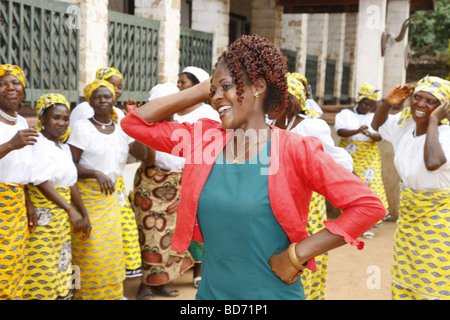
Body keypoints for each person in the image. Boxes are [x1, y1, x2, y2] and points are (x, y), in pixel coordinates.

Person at [121, 34, 386, 300]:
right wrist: (206, 87)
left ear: (258, 87)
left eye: (227, 87)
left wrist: (297, 255)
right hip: (210, 295)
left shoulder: (295, 149)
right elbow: (135, 124)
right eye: (213, 91)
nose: (216, 98)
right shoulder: (202, 140)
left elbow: (368, 206)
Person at [267, 72, 353, 300]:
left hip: (306, 204)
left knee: (303, 255)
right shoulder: (267, 125)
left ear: (290, 102)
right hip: (272, 203)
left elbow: (337, 161)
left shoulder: (311, 128)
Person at [67, 79, 151, 300]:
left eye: (107, 96)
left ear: (115, 99)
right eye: (97, 97)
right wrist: (95, 173)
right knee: (87, 252)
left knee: (111, 253)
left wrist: (140, 125)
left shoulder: (122, 127)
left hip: (111, 200)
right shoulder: (82, 127)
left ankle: (113, 295)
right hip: (87, 197)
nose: (103, 100)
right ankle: (81, 294)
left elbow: (144, 155)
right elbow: (68, 166)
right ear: (90, 101)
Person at [371, 76, 450, 300]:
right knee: (409, 273)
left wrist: (434, 121)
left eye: (431, 101)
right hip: (409, 216)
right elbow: (376, 125)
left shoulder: (446, 135)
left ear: (443, 108)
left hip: (439, 218)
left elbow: (433, 163)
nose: (421, 105)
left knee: (435, 278)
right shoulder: (405, 126)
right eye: (417, 98)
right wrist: (388, 103)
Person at [22, 93, 91, 300]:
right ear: (42, 118)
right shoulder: (37, 142)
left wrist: (84, 214)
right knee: (42, 266)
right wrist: (70, 210)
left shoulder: (63, 147)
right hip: (44, 217)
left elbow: (71, 184)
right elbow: (41, 181)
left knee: (62, 264)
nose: (61, 123)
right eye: (56, 118)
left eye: (65, 119)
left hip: (61, 220)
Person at [131, 83, 195, 300]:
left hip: (176, 189)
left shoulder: (182, 128)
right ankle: (144, 286)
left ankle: (160, 282)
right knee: (149, 237)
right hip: (151, 189)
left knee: (170, 237)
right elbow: (147, 158)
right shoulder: (148, 127)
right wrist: (142, 128)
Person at [177, 66, 220, 288]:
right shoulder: (177, 111)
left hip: (201, 176)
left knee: (201, 221)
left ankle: (200, 269)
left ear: (196, 86)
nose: (179, 86)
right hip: (176, 177)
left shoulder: (208, 114)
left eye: (183, 82)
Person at [0, 64, 38, 300]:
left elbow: (19, 171)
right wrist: (10, 145)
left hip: (16, 202)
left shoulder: (23, 123)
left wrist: (28, 203)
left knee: (15, 261)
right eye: (2, 84)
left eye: (16, 83)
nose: (10, 88)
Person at [334, 82, 389, 238]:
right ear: (359, 100)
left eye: (371, 105)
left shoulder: (374, 117)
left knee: (370, 188)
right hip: (348, 156)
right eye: (366, 103)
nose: (368, 107)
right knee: (349, 189)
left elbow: (381, 136)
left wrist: (369, 134)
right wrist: (358, 130)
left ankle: (366, 225)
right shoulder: (345, 114)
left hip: (368, 157)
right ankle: (350, 224)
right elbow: (340, 132)